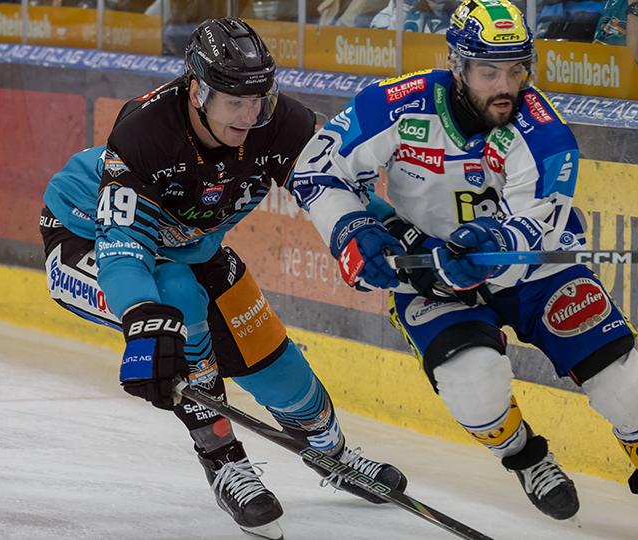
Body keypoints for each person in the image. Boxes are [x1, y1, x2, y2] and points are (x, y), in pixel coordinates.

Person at [289, 0, 638, 538]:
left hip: (535, 273)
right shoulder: (393, 105)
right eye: (489, 72)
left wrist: (492, 243)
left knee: (628, 385)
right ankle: (526, 457)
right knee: (473, 385)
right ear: (457, 65)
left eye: (516, 70)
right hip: (431, 276)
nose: (505, 86)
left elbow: (537, 223)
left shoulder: (544, 130)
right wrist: (352, 231)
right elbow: (316, 169)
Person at [39, 18, 407, 540]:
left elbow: (338, 188)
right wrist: (142, 316)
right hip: (85, 238)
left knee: (279, 368)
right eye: (235, 101)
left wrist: (398, 232)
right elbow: (124, 252)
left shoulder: (282, 124)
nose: (251, 115)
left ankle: (334, 454)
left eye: (259, 98)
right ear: (198, 92)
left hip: (192, 246)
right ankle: (223, 460)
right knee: (175, 300)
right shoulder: (145, 133)